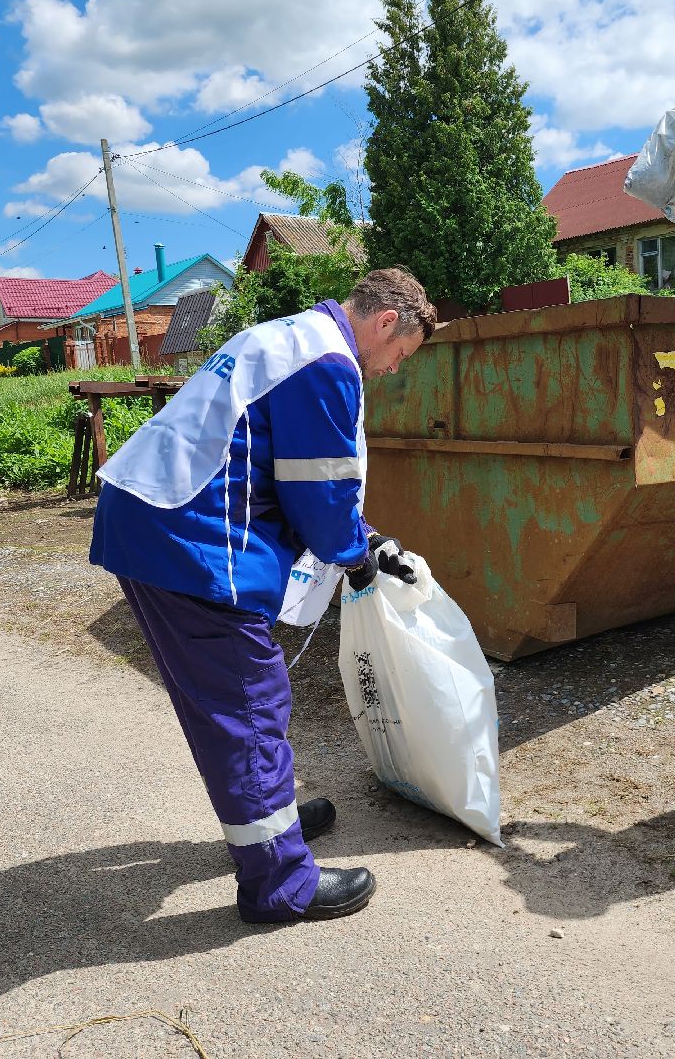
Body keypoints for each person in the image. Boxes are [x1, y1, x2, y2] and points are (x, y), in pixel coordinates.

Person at [89, 268, 437, 923]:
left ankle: (269, 824)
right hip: (195, 539)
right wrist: (356, 554)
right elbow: (320, 493)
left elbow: (286, 466)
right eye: (399, 354)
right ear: (387, 322)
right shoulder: (328, 363)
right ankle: (279, 882)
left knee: (223, 703)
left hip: (152, 519)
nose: (392, 369)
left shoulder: (286, 336)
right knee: (251, 701)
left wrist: (362, 539)